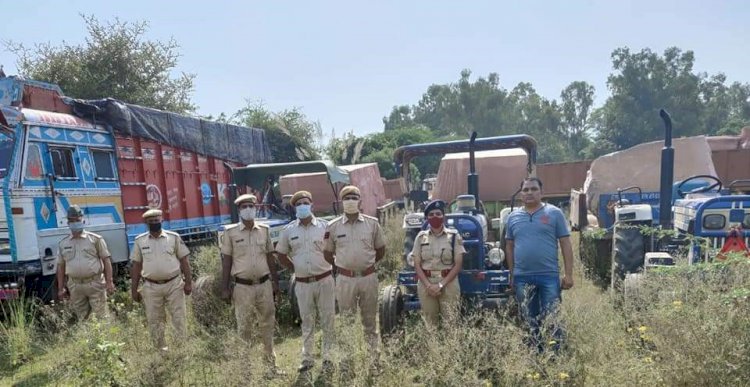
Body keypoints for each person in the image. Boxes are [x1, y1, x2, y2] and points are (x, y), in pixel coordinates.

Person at [504, 177, 574, 353]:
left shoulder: (554, 213)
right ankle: (535, 355)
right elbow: (509, 246)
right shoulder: (513, 217)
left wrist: (569, 274)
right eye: (526, 190)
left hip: (548, 276)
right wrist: (512, 275)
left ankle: (555, 356)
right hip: (522, 277)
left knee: (552, 317)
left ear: (541, 192)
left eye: (533, 189)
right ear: (521, 194)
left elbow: (565, 243)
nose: (529, 193)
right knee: (529, 318)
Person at [219, 194, 283, 375]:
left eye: (251, 206)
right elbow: (227, 261)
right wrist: (225, 288)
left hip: (264, 285)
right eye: (244, 206)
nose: (248, 209)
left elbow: (270, 257)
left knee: (267, 326)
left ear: (255, 208)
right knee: (244, 328)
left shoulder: (264, 230)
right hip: (242, 287)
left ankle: (271, 367)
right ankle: (245, 371)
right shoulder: (231, 233)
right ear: (239, 211)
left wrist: (275, 283)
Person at [323, 186, 385, 363]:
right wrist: (341, 268)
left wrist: (367, 265)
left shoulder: (372, 223)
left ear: (360, 201)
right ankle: (347, 361)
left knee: (370, 321)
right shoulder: (332, 226)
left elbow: (381, 250)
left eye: (354, 197)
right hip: (345, 280)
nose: (351, 200)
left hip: (368, 278)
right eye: (347, 197)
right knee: (347, 320)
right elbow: (327, 253)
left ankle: (374, 359)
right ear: (342, 202)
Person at [275, 191, 335, 373]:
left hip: (324, 279)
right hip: (302, 283)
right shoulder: (289, 230)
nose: (302, 206)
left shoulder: (325, 227)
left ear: (312, 205)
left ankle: (328, 358)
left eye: (305, 202)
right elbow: (281, 254)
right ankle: (307, 359)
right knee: (307, 321)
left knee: (328, 320)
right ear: (295, 209)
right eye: (298, 204)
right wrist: (295, 268)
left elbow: (335, 249)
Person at [130, 209, 193, 351]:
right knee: (155, 321)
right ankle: (161, 351)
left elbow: (184, 261)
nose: (154, 224)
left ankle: (181, 349)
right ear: (146, 223)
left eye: (156, 221)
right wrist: (134, 290)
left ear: (162, 221)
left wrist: (188, 282)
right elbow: (136, 266)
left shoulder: (173, 237)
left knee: (179, 318)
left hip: (174, 284)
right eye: (151, 222)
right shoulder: (140, 241)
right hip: (151, 286)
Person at [411, 199, 464, 327]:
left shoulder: (454, 236)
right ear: (427, 218)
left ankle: (450, 347)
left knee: (451, 323)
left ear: (443, 217)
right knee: (430, 324)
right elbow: (417, 264)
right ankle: (433, 346)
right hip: (426, 284)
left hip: (449, 284)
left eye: (438, 214)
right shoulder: (420, 237)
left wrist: (441, 285)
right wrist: (429, 286)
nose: (435, 217)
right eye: (431, 215)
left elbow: (458, 264)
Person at [56, 204, 115, 320]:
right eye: (71, 221)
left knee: (102, 317)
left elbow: (106, 260)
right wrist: (61, 288)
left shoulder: (95, 239)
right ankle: (87, 337)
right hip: (75, 286)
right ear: (67, 223)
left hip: (95, 283)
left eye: (77, 220)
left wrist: (109, 281)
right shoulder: (63, 243)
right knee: (82, 319)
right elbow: (61, 267)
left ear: (82, 220)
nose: (75, 223)